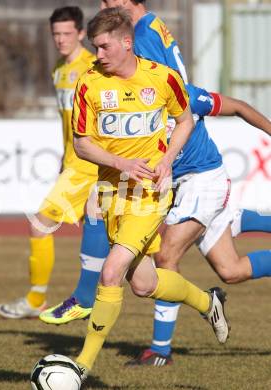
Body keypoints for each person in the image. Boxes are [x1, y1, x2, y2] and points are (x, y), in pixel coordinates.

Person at [99, 0, 271, 367]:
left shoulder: (173, 91)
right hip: (183, 184)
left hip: (204, 177)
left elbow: (237, 105)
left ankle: (160, 350)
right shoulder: (127, 103)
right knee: (232, 270)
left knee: (167, 254)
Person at [65, 8, 230, 382]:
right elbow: (82, 144)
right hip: (113, 194)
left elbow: (185, 120)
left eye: (104, 46)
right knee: (143, 284)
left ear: (126, 43)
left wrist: (168, 159)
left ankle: (80, 367)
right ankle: (209, 303)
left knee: (111, 272)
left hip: (150, 196)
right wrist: (120, 164)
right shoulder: (88, 83)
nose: (98, 54)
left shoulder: (161, 78)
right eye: (94, 47)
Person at [0, 6, 110, 320]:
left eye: (67, 34)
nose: (60, 40)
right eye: (56, 34)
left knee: (39, 226)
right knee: (123, 242)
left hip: (90, 166)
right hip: (74, 164)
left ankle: (36, 300)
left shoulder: (95, 67)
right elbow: (68, 124)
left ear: (82, 34)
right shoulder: (59, 70)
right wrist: (64, 159)